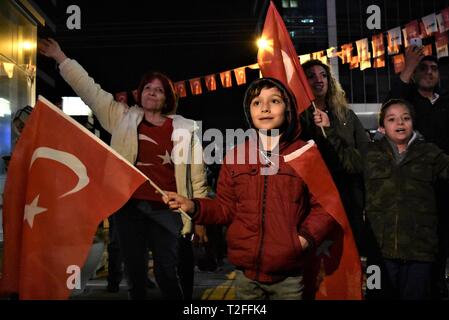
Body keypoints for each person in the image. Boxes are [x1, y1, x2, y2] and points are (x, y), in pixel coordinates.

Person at [38, 38, 208, 300]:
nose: (152, 92)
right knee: (135, 274)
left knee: (167, 271)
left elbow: (197, 176)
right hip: (128, 207)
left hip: (169, 209)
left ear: (167, 98)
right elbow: (89, 90)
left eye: (159, 90)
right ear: (139, 94)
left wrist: (200, 217)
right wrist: (61, 57)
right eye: (148, 88)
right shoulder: (120, 117)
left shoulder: (185, 129)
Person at [162, 78, 338, 300]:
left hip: (289, 279)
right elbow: (225, 208)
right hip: (245, 276)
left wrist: (302, 240)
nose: (265, 108)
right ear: (249, 111)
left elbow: (326, 206)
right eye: (256, 102)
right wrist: (193, 206)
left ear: (288, 109)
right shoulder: (236, 156)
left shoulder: (306, 154)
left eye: (274, 101)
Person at [364, 99, 449, 300]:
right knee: (376, 297)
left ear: (413, 123)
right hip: (379, 254)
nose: (400, 123)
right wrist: (326, 129)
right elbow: (342, 159)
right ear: (382, 126)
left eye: (406, 118)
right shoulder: (369, 153)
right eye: (392, 119)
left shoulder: (430, 153)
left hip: (420, 252)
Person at [386, 49, 449, 299]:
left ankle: (438, 282)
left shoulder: (445, 101)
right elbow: (392, 101)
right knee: (418, 234)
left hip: (444, 180)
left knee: (442, 233)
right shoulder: (408, 101)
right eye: (424, 68)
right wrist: (408, 67)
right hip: (414, 182)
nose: (429, 72)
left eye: (433, 69)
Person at [300, 60, 369, 255]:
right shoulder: (298, 120)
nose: (318, 80)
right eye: (311, 76)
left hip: (347, 197)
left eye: (323, 75)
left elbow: (363, 158)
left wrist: (331, 129)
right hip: (313, 200)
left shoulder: (346, 116)